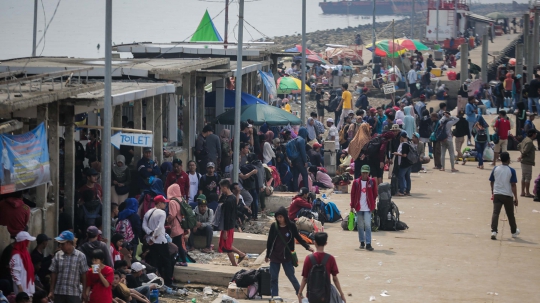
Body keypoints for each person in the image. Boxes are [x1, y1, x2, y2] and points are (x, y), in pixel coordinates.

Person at [265, 206, 314, 297]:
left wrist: (307, 247)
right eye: (277, 217)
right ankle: (275, 297)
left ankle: (299, 293)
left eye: (281, 217)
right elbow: (270, 241)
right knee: (273, 278)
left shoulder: (291, 226)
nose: (279, 219)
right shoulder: (274, 226)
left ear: (285, 217)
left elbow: (298, 237)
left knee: (291, 276)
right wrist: (267, 255)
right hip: (275, 256)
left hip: (287, 256)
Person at [297, 232, 346, 303]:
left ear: (314, 242)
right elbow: (335, 279)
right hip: (326, 294)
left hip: (312, 295)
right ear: (326, 243)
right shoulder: (330, 258)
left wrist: (300, 293)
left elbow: (305, 278)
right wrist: (341, 294)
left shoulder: (308, 258)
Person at [48, 231, 88, 303]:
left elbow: (84, 275)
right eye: (60, 244)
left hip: (73, 293)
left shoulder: (80, 256)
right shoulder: (58, 255)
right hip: (59, 292)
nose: (60, 246)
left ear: (69, 243)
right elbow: (54, 273)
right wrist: (51, 290)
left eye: (62, 244)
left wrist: (84, 292)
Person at [142, 195, 172, 286]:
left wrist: (150, 234)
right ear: (159, 203)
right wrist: (154, 237)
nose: (165, 205)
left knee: (154, 261)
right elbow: (160, 227)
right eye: (164, 203)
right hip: (160, 241)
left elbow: (144, 226)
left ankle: (155, 281)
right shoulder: (162, 213)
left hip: (151, 241)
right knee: (167, 261)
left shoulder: (148, 212)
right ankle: (168, 281)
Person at [489, 152, 520, 240]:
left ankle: (494, 231)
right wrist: (516, 198)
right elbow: (513, 185)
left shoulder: (496, 169)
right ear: (508, 160)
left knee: (496, 213)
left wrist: (493, 191)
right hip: (507, 195)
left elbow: (491, 181)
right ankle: (514, 232)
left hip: (497, 194)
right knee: (510, 214)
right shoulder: (512, 170)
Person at [217, 180, 247, 266]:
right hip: (230, 225)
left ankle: (235, 263)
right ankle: (240, 254)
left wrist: (225, 231)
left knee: (227, 246)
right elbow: (234, 212)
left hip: (227, 226)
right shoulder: (233, 198)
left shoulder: (228, 201)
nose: (221, 190)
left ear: (224, 188)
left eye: (221, 188)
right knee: (227, 245)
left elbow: (227, 216)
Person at [350, 165, 378, 251]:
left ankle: (368, 243)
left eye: (366, 172)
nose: (365, 174)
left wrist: (373, 204)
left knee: (368, 225)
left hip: (368, 208)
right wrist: (352, 206)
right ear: (361, 172)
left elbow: (375, 194)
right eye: (363, 172)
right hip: (359, 207)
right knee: (360, 225)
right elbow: (353, 194)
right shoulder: (356, 182)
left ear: (369, 173)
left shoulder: (372, 182)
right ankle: (362, 241)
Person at [166, 184, 189, 266]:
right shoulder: (181, 199)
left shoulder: (172, 202)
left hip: (175, 226)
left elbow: (172, 215)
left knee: (177, 245)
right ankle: (181, 259)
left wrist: (167, 220)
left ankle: (183, 260)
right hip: (182, 225)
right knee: (179, 243)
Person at [10, 232, 36, 297]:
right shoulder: (16, 255)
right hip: (22, 291)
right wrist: (19, 287)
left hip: (29, 290)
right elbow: (14, 272)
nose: (29, 242)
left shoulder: (26, 253)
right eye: (28, 241)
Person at [517, 129, 537, 197]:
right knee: (528, 177)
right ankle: (527, 193)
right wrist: (521, 155)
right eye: (535, 133)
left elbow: (519, 146)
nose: (536, 135)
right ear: (533, 134)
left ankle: (523, 192)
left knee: (523, 177)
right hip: (527, 161)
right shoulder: (529, 142)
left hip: (524, 161)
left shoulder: (525, 139)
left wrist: (521, 154)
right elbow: (525, 151)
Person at [291, 128, 309, 192]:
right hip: (300, 160)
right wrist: (305, 161)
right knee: (305, 175)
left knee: (295, 176)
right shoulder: (301, 140)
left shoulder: (294, 139)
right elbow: (303, 152)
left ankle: (295, 190)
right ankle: (306, 190)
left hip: (294, 160)